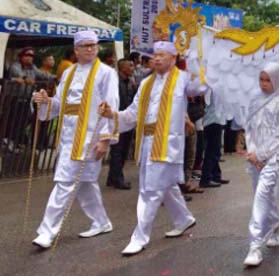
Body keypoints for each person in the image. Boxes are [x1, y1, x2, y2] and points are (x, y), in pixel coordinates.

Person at [99, 41, 209, 256]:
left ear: (173, 57)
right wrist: (112, 115)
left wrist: (199, 56)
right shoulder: (146, 83)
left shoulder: (183, 79)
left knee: (149, 190)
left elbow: (202, 86)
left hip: (168, 143)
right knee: (165, 186)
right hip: (147, 142)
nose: (156, 58)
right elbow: (132, 114)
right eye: (154, 55)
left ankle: (139, 237)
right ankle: (184, 219)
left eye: (162, 55)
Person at [30, 30, 119, 249]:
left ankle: (47, 231)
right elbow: (59, 105)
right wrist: (44, 101)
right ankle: (101, 222)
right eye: (86, 45)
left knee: (65, 182)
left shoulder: (106, 73)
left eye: (94, 45)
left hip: (90, 137)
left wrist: (106, 139)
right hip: (68, 137)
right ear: (76, 49)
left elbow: (111, 105)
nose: (91, 48)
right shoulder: (68, 73)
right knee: (85, 183)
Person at [242, 63, 279, 266]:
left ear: (277, 80)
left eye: (268, 80)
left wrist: (263, 155)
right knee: (261, 195)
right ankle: (277, 224)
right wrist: (253, 152)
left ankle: (254, 246)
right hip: (254, 157)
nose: (264, 84)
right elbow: (249, 128)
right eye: (261, 79)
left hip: (274, 158)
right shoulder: (255, 100)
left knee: (262, 195)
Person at [106, 58, 137, 190]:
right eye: (130, 65)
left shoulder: (130, 82)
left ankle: (112, 177)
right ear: (123, 68)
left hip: (127, 119)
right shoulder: (115, 82)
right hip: (116, 119)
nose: (133, 68)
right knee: (117, 150)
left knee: (124, 149)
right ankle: (117, 178)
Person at [199, 90, 230, 188]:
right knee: (212, 151)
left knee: (215, 150)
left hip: (216, 120)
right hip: (213, 120)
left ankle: (215, 176)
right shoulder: (214, 87)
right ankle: (206, 178)